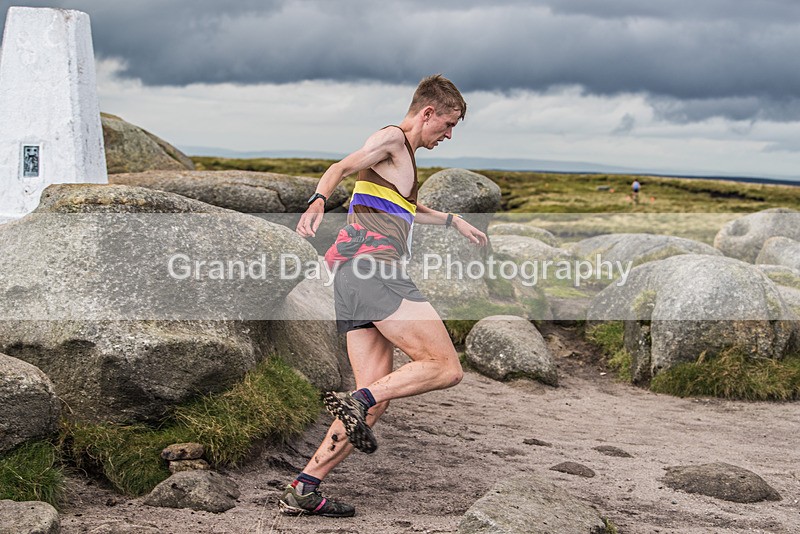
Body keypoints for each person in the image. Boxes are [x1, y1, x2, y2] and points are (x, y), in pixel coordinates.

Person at [279, 74, 488, 517]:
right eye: (448, 124)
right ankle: (359, 401)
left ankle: (305, 485)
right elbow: (341, 167)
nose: (448, 135)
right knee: (445, 368)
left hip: (352, 279)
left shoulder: (403, 158)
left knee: (377, 396)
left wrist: (453, 220)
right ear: (427, 112)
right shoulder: (392, 139)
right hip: (377, 272)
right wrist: (319, 198)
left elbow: (407, 206)